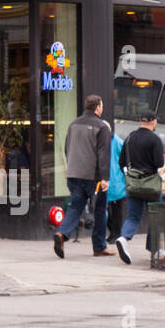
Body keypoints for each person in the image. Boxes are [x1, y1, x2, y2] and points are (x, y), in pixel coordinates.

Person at [54, 94, 113, 258]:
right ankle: (99, 247)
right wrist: (105, 178)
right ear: (98, 107)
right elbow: (104, 155)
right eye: (102, 105)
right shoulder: (102, 127)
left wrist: (72, 166)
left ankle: (62, 234)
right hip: (92, 177)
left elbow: (67, 149)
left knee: (75, 206)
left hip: (73, 173)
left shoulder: (73, 124)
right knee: (100, 210)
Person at [115, 112, 165, 263]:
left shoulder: (130, 137)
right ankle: (155, 250)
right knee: (156, 216)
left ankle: (123, 238)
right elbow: (159, 163)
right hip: (150, 184)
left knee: (133, 216)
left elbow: (122, 162)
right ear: (153, 121)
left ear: (140, 121)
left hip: (133, 183)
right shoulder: (155, 139)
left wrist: (129, 175)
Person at [106, 126, 128, 247]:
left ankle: (116, 234)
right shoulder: (114, 141)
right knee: (110, 211)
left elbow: (125, 160)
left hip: (116, 181)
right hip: (113, 181)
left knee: (116, 210)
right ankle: (114, 233)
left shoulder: (118, 142)